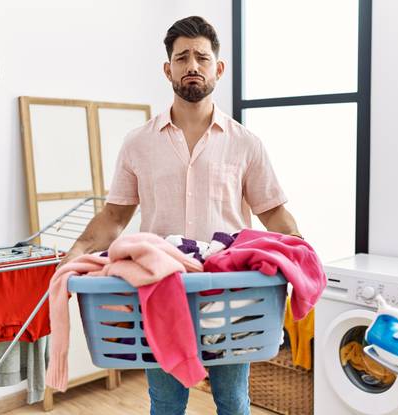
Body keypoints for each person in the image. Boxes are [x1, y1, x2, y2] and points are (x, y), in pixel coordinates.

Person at [57, 15, 301, 415]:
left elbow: (275, 216)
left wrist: (302, 260)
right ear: (167, 68)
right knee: (166, 403)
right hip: (161, 293)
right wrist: (76, 254)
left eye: (202, 58)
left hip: (230, 294)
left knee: (233, 400)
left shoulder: (246, 144)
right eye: (182, 57)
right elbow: (115, 216)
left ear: (217, 69)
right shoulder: (137, 143)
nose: (192, 66)